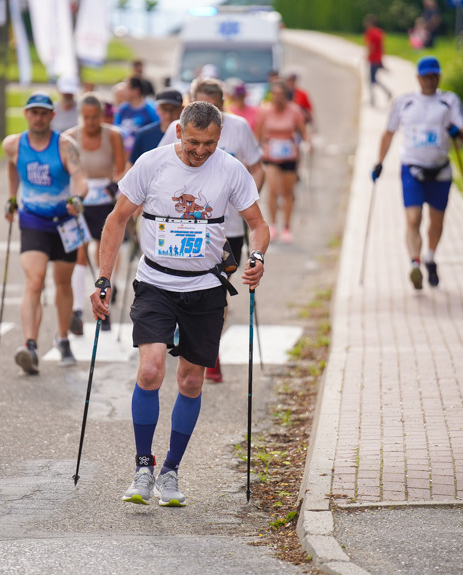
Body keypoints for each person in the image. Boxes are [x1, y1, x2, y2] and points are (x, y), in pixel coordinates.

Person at [90, 101, 269, 507]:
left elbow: (258, 225)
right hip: (154, 282)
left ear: (219, 137)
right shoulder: (151, 165)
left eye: (209, 143)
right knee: (151, 370)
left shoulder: (230, 169)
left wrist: (257, 258)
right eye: (193, 142)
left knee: (190, 381)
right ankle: (142, 468)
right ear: (178, 133)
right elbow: (117, 219)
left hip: (205, 288)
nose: (200, 151)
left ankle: (170, 470)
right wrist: (104, 278)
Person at [159, 77, 265, 383]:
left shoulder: (239, 127)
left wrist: (245, 195)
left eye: (213, 106)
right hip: (183, 225)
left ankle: (210, 349)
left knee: (216, 288)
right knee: (183, 285)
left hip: (226, 229)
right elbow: (159, 169)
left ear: (221, 104)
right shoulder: (175, 129)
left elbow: (257, 166)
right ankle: (190, 332)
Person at [2, 91, 89, 373]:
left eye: (43, 113)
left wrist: (77, 199)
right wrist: (12, 197)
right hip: (33, 220)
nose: (38, 117)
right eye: (33, 112)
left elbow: (80, 178)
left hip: (63, 221)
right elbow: (12, 168)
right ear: (26, 114)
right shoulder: (13, 145)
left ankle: (62, 338)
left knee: (62, 284)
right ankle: (30, 346)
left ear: (52, 116)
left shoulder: (65, 146)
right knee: (35, 281)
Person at [372, 56, 463, 290]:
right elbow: (388, 133)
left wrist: (457, 131)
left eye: (433, 76)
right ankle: (415, 263)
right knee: (413, 218)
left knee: (436, 222)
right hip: (412, 169)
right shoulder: (404, 102)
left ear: (439, 77)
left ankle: (430, 257)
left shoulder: (449, 101)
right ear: (418, 78)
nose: (429, 81)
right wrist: (379, 162)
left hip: (440, 172)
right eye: (425, 76)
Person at [65, 93, 126, 335]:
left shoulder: (112, 135)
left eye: (95, 118)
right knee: (80, 255)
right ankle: (77, 312)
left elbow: (121, 169)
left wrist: (114, 184)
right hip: (81, 200)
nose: (90, 123)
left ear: (101, 115)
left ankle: (104, 307)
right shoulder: (70, 138)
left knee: (104, 256)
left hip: (104, 201)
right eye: (86, 118)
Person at [255, 79, 310, 243]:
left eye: (281, 94)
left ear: (286, 96)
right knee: (273, 189)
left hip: (289, 156)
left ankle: (286, 226)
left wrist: (309, 143)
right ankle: (272, 224)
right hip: (271, 156)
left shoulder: (294, 111)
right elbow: (257, 133)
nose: (278, 97)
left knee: (287, 192)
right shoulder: (264, 111)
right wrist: (257, 149)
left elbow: (302, 130)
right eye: (275, 94)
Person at [128, 89, 184, 167]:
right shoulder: (143, 135)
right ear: (157, 109)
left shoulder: (188, 136)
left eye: (173, 110)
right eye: (164, 109)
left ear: (182, 109)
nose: (168, 115)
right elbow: (132, 166)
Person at [114, 77, 159, 158]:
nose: (122, 92)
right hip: (125, 156)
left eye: (126, 88)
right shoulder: (122, 109)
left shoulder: (151, 109)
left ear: (135, 91)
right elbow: (115, 130)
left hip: (145, 156)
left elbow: (158, 131)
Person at [363, 14, 393, 107]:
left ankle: (375, 97)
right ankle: (382, 94)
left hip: (373, 59)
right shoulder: (380, 32)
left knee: (371, 79)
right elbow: (382, 46)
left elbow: (371, 46)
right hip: (378, 58)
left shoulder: (370, 32)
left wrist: (367, 56)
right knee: (373, 78)